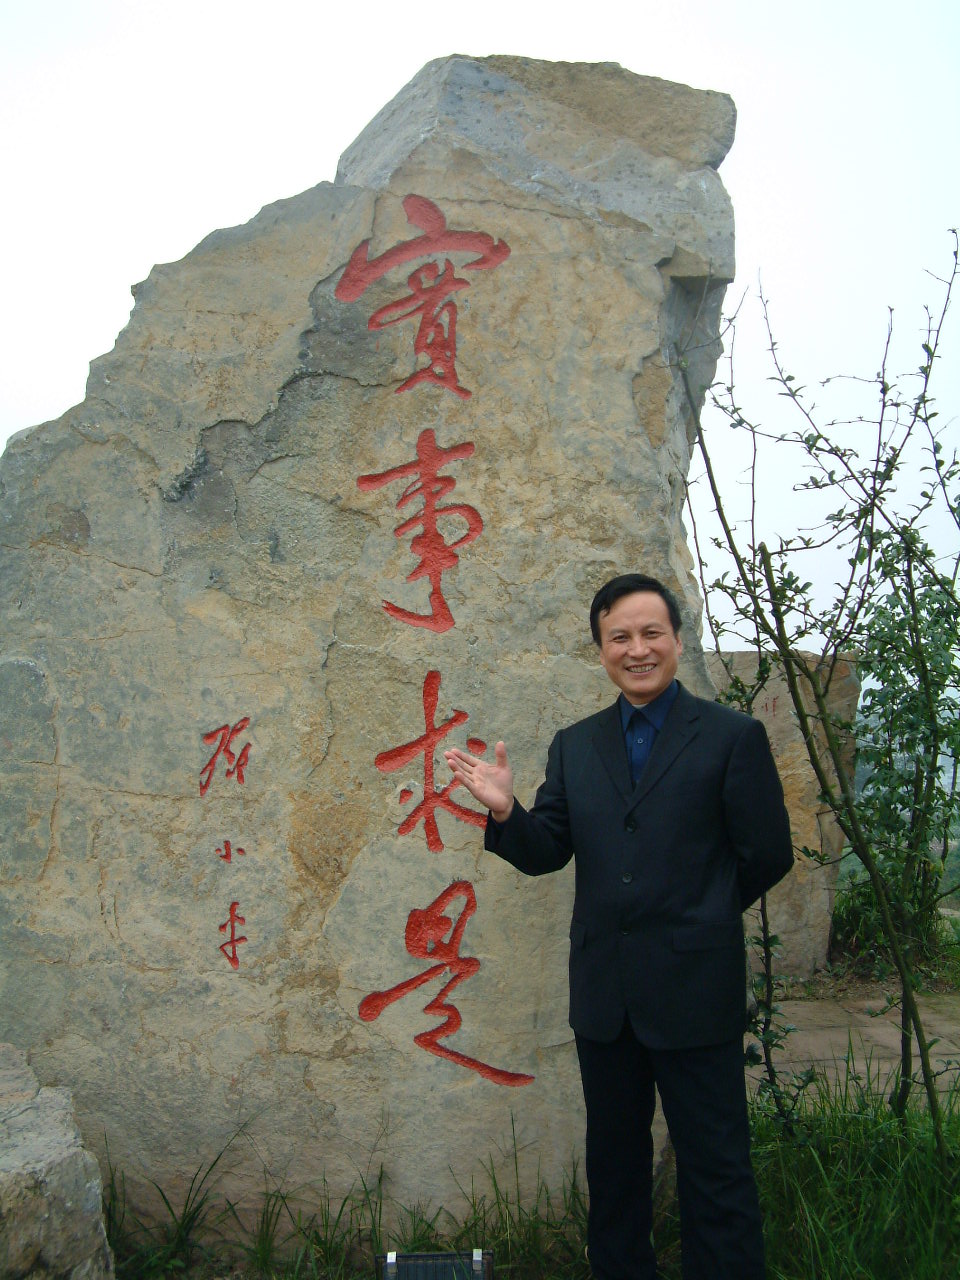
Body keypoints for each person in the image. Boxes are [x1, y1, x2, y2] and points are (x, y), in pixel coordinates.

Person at [444, 573, 793, 1280]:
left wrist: (698, 916)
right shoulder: (576, 746)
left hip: (696, 990)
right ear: (602, 649)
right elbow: (548, 851)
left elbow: (767, 853)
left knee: (716, 1170)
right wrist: (508, 813)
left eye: (651, 633)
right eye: (620, 637)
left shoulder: (731, 737)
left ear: (677, 640)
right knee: (614, 1169)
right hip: (606, 999)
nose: (638, 650)